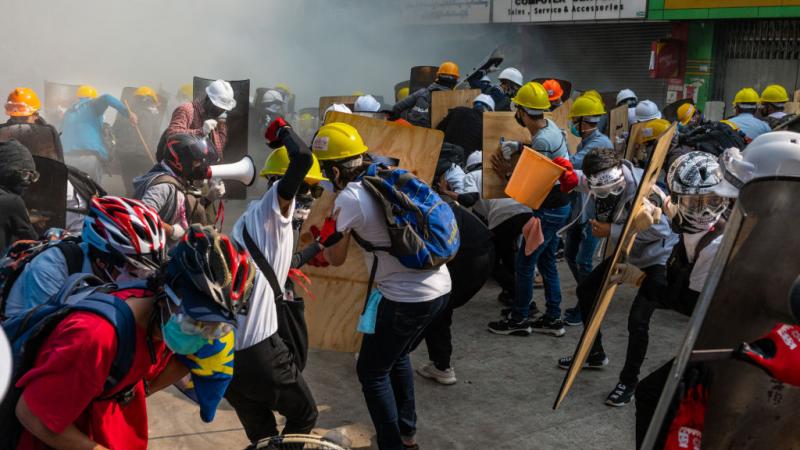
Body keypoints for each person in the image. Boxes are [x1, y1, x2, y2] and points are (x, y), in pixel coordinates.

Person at [12, 225, 251, 450]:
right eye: (197, 322)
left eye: (217, 328)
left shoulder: (165, 319)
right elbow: (31, 414)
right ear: (168, 292)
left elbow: (195, 357)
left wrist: (145, 387)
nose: (206, 336)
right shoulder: (94, 337)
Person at [635, 132, 800, 447]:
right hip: (744, 343)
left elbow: (700, 304)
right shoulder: (762, 226)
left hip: (747, 344)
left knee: (661, 397)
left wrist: (641, 281)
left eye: (716, 201)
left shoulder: (738, 241)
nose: (706, 210)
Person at [312, 122, 451, 450]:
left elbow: (336, 257)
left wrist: (327, 230)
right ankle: (406, 433)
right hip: (440, 285)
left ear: (334, 171)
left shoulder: (350, 198)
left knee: (371, 371)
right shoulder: (384, 173)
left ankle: (393, 445)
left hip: (408, 297)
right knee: (397, 355)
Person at [555, 148, 677, 405]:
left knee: (638, 320)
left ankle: (629, 381)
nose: (606, 195)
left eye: (611, 189)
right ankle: (594, 353)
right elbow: (589, 182)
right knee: (586, 291)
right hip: (628, 251)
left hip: (657, 257)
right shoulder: (601, 177)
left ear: (618, 174)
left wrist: (612, 229)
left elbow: (662, 231)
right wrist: (572, 177)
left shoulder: (646, 191)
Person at [223, 118, 319, 444]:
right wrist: (282, 132)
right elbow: (303, 158)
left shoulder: (254, 223)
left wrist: (320, 247)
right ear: (279, 184)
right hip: (258, 352)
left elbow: (279, 267)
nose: (310, 197)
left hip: (225, 355)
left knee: (263, 436)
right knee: (305, 413)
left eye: (315, 190)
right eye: (306, 187)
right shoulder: (272, 209)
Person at [487, 81, 574, 336]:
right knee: (547, 262)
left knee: (524, 264)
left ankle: (519, 319)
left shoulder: (543, 141)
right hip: (559, 208)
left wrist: (506, 173)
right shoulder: (551, 129)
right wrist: (519, 147)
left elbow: (531, 187)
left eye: (518, 110)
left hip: (548, 210)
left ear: (523, 112)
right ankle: (553, 318)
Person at [3, 196, 166, 317]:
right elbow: (42, 336)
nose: (142, 276)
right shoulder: (49, 269)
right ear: (102, 261)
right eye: (134, 269)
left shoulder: (112, 268)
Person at [417, 197, 494, 385]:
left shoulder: (427, 211)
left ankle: (441, 366)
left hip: (469, 260)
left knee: (436, 307)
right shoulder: (437, 203)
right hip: (485, 254)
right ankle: (440, 364)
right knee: (439, 307)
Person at [562, 94, 613, 326]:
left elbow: (573, 164)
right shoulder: (589, 141)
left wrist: (559, 147)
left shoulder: (599, 143)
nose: (573, 125)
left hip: (594, 214)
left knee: (583, 262)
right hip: (582, 211)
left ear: (584, 121)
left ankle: (588, 307)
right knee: (571, 256)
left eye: (576, 121)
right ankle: (586, 299)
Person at [133, 134, 224, 245]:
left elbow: (185, 210)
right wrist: (172, 231)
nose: (199, 167)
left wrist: (209, 198)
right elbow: (140, 218)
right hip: (153, 257)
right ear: (179, 162)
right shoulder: (163, 187)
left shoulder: (176, 180)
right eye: (196, 163)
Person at [60, 85, 137, 183]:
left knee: (71, 191)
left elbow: (59, 132)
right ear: (93, 97)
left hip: (67, 158)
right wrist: (128, 113)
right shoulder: (92, 105)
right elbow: (107, 97)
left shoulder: (68, 112)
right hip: (88, 157)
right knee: (92, 192)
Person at [163, 79, 235, 160]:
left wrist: (222, 126)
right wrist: (201, 132)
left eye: (223, 109)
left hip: (205, 169)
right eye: (217, 107)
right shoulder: (187, 110)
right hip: (183, 167)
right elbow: (172, 134)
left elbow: (218, 150)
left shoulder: (216, 119)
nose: (219, 111)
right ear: (208, 99)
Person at [114, 86, 162, 196]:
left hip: (126, 155)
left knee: (130, 189)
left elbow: (115, 131)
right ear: (151, 101)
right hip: (145, 156)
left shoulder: (125, 113)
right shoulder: (153, 116)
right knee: (147, 188)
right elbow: (157, 137)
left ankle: (131, 204)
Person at [0, 88, 63, 162]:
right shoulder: (2, 133)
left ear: (35, 115)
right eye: (14, 117)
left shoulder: (49, 133)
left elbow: (60, 163)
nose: (18, 122)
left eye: (24, 118)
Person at [392, 61, 459, 128]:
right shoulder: (455, 102)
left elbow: (396, 108)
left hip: (409, 134)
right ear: (455, 81)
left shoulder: (421, 93)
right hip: (433, 137)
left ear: (437, 77)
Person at [0, 139, 38, 250]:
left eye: (33, 175)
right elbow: (34, 244)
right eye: (24, 174)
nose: (28, 181)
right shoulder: (12, 201)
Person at [436, 94, 492, 160]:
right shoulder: (485, 124)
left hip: (442, 154)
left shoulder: (458, 110)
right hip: (465, 161)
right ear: (489, 110)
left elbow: (439, 130)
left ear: (474, 104)